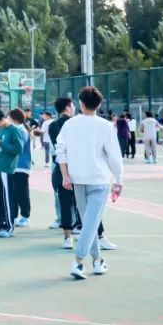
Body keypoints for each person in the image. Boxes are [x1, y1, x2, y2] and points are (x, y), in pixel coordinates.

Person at [55, 86, 124, 280]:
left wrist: (65, 175)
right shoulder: (106, 126)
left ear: (80, 103)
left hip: (77, 180)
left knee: (89, 223)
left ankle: (97, 260)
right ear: (100, 104)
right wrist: (118, 179)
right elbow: (114, 156)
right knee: (90, 223)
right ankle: (78, 262)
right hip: (99, 180)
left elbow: (60, 150)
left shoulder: (69, 124)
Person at [48, 97, 79, 249]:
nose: (74, 108)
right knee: (81, 201)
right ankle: (83, 230)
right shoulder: (74, 123)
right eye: (73, 106)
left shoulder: (52, 125)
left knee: (65, 202)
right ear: (67, 108)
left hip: (60, 167)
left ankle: (67, 237)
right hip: (77, 167)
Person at [0, 109, 23, 237]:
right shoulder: (1, 129)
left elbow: (18, 149)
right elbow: (1, 146)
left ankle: (9, 228)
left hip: (6, 168)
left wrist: (0, 143)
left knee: (7, 199)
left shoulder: (14, 130)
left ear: (2, 119)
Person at [9, 108, 33, 228]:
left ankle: (25, 216)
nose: (7, 119)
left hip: (21, 166)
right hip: (16, 166)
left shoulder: (20, 130)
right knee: (14, 193)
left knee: (22, 193)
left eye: (9, 117)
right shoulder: (19, 129)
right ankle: (14, 216)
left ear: (14, 119)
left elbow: (18, 148)